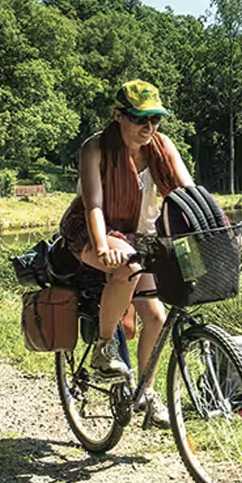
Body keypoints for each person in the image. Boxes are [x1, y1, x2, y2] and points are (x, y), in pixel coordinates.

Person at [58, 79, 195, 422]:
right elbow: (93, 204)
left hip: (141, 234)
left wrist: (215, 225)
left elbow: (189, 193)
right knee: (126, 266)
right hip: (92, 229)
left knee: (157, 317)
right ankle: (104, 348)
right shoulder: (96, 148)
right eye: (140, 119)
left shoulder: (163, 147)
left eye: (155, 120)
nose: (149, 128)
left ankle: (145, 393)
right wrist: (103, 246)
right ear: (119, 115)